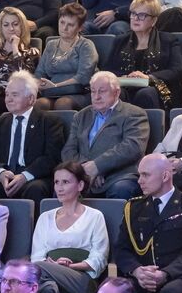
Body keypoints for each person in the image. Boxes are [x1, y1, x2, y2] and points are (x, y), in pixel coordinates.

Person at [112, 153, 182, 293]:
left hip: (181, 276)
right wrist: (137, 271)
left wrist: (165, 273)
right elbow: (121, 249)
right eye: (139, 175)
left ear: (165, 176)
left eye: (145, 175)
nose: (139, 181)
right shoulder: (134, 207)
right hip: (143, 277)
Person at [61, 70, 151, 199]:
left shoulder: (134, 114)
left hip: (119, 175)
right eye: (93, 91)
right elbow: (68, 150)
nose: (96, 96)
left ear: (117, 92)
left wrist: (98, 166)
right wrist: (87, 169)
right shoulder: (81, 116)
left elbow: (133, 147)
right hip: (85, 175)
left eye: (102, 91)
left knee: (121, 189)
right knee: (61, 189)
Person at [0, 71, 66, 202]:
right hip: (5, 176)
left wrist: (25, 176)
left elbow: (52, 158)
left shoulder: (49, 122)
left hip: (34, 176)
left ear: (31, 99)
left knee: (36, 188)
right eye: (7, 94)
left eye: (14, 95)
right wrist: (1, 173)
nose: (8, 99)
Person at [31, 162, 109, 293]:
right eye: (56, 182)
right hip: (49, 278)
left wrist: (69, 266)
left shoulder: (95, 216)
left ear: (80, 185)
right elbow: (37, 257)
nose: (59, 188)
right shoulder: (45, 217)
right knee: (48, 288)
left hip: (82, 280)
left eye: (65, 182)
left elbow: (99, 258)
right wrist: (54, 267)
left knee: (29, 268)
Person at [109, 0, 182, 109]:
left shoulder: (168, 40)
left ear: (154, 20)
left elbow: (176, 70)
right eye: (133, 14)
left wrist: (149, 78)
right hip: (126, 87)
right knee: (115, 93)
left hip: (158, 88)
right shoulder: (120, 41)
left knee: (145, 94)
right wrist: (126, 77)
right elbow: (109, 70)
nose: (136, 18)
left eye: (142, 15)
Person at [36, 3, 98, 110]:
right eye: (62, 22)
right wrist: (39, 83)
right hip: (52, 93)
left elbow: (83, 77)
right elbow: (39, 72)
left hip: (80, 93)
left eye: (70, 25)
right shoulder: (51, 45)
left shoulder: (85, 45)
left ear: (80, 28)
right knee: (39, 104)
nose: (64, 28)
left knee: (62, 103)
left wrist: (55, 86)